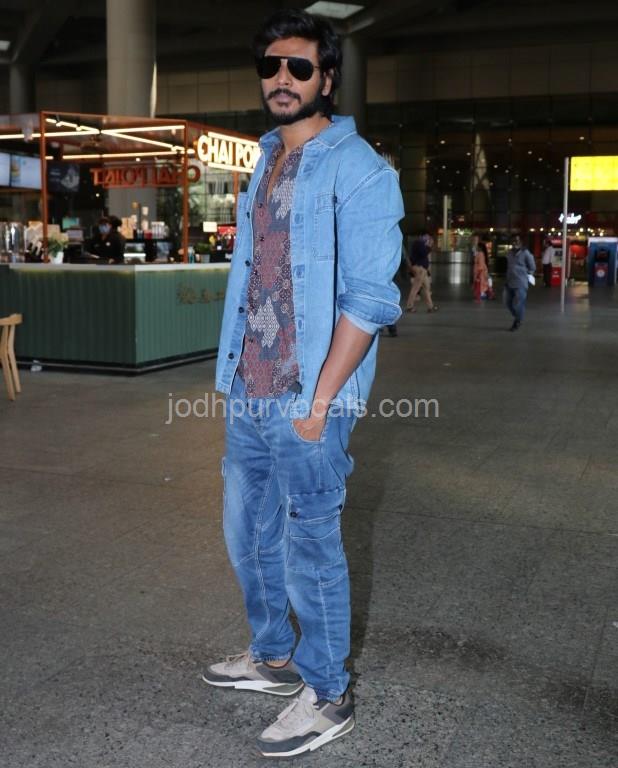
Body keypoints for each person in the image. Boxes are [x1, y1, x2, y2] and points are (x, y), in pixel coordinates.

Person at [202, 9, 403, 758]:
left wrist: (319, 403)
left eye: (298, 67)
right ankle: (274, 657)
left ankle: (327, 692)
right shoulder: (266, 159)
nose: (281, 79)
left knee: (310, 545)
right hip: (249, 389)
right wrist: (234, 377)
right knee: (247, 533)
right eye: (270, 66)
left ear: (327, 78)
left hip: (307, 399)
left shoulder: (362, 169)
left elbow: (370, 301)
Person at [504, 233, 536, 331]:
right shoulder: (509, 253)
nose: (514, 243)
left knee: (518, 303)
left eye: (517, 241)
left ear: (521, 242)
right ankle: (519, 317)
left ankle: (517, 321)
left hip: (521, 283)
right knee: (507, 302)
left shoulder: (525, 253)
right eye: (513, 241)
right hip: (509, 282)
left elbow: (532, 267)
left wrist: (526, 275)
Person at [405, 232, 437, 312]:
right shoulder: (418, 243)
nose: (428, 238)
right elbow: (423, 253)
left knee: (426, 289)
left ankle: (430, 307)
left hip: (423, 270)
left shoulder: (421, 244)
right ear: (422, 236)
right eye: (426, 236)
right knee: (416, 287)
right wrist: (429, 246)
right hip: (420, 269)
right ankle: (409, 306)